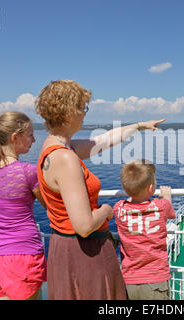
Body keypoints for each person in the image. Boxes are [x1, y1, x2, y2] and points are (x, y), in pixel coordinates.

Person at [34, 79, 165, 299]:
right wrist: (106, 210)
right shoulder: (65, 157)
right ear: (69, 112)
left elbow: (103, 141)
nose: (85, 114)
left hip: (64, 248)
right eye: (82, 108)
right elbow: (84, 226)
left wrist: (139, 126)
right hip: (83, 251)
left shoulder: (54, 147)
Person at [0, 111, 47, 300]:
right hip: (25, 257)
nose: (33, 139)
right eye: (30, 134)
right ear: (16, 137)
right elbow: (49, 206)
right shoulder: (28, 172)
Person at [113, 159, 175, 300]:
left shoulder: (118, 208)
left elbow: (133, 203)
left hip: (129, 281)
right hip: (156, 279)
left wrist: (133, 190)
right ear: (151, 188)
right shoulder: (162, 205)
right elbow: (171, 214)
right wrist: (167, 197)